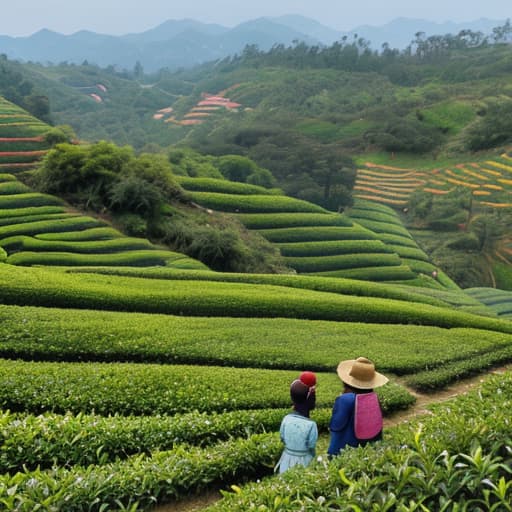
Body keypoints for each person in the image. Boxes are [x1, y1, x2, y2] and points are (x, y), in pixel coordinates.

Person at [327, 357, 388, 458]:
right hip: (370, 451)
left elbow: (335, 426)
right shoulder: (374, 398)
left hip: (344, 451)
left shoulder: (345, 400)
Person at [275, 374, 318, 474]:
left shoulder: (286, 419)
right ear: (309, 400)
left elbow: (282, 438)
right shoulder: (311, 425)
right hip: (304, 461)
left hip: (286, 458)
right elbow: (311, 446)